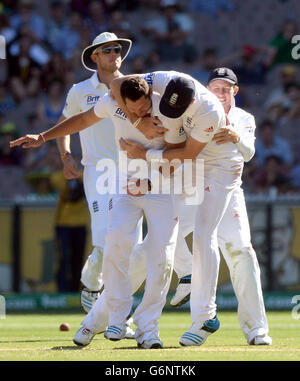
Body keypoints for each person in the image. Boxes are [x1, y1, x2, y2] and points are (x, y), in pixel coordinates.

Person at [9, 77, 187, 349]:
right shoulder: (113, 104)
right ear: (121, 103)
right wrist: (43, 137)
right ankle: (117, 318)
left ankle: (148, 329)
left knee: (162, 258)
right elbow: (81, 120)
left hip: (163, 187)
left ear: (151, 95)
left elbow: (180, 157)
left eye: (144, 106)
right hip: (124, 185)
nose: (140, 112)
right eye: (134, 109)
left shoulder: (166, 110)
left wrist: (150, 180)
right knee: (115, 244)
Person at [114, 68, 271, 346]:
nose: (219, 92)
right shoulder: (170, 88)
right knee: (157, 242)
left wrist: (237, 137)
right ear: (203, 87)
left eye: (225, 88)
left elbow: (246, 154)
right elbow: (118, 86)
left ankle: (253, 329)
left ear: (235, 91)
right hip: (190, 178)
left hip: (224, 184)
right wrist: (139, 131)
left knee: (239, 251)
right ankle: (116, 311)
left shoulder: (240, 118)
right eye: (215, 87)